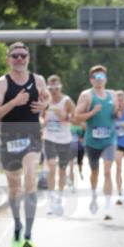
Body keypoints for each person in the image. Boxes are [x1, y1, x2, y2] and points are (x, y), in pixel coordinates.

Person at [0, 42, 50, 247]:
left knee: (30, 178)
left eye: (23, 55)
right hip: (9, 138)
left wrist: (45, 105)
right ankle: (17, 226)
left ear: (28, 58)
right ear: (8, 59)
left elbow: (46, 97)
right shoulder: (2, 84)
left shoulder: (38, 80)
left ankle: (29, 235)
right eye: (15, 56)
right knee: (14, 188)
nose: (20, 59)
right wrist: (14, 102)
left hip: (32, 135)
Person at [74, 66, 121, 221]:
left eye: (101, 76)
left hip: (109, 139)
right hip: (92, 140)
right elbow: (76, 117)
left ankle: (108, 207)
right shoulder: (87, 96)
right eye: (95, 76)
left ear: (106, 79)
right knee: (95, 172)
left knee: (108, 171)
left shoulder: (113, 95)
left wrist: (117, 113)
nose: (99, 79)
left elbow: (116, 114)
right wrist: (93, 112)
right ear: (91, 80)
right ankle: (94, 195)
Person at [43, 75, 76, 215]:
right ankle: (51, 200)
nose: (53, 90)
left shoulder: (66, 100)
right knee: (51, 166)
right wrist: (42, 121)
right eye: (50, 88)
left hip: (64, 139)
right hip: (49, 137)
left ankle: (59, 199)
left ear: (60, 86)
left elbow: (75, 117)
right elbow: (41, 115)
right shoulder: (45, 100)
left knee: (62, 170)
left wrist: (64, 117)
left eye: (56, 87)